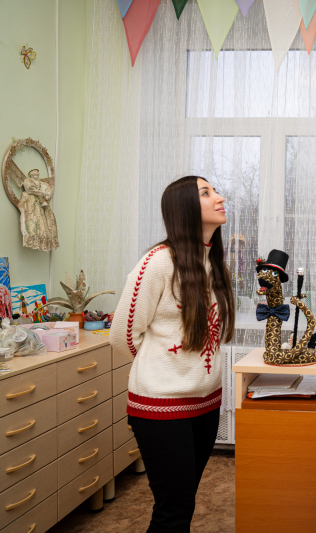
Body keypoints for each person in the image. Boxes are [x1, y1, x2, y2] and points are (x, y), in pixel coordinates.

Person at [110, 176, 235, 532]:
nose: (219, 197)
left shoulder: (213, 261)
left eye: (215, 191)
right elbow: (121, 335)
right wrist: (157, 365)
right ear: (184, 208)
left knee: (183, 502)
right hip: (161, 407)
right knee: (173, 510)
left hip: (205, 402)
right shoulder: (159, 263)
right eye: (207, 193)